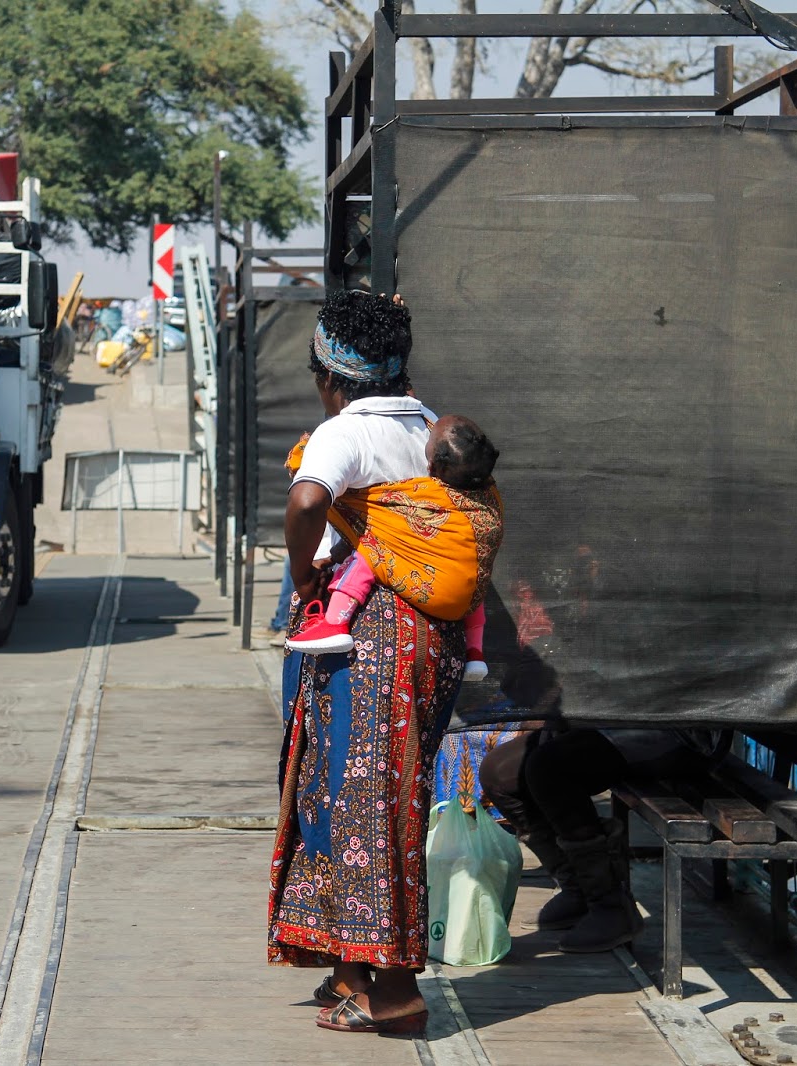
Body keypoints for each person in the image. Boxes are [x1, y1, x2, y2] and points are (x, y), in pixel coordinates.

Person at [268, 290, 493, 1036]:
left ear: (329, 377)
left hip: (370, 639)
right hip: (432, 640)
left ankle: (393, 993)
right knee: (361, 793)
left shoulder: (346, 432)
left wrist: (304, 577)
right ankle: (349, 967)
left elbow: (306, 502)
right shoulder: (432, 429)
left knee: (366, 803)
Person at [285, 414, 498, 682]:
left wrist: (304, 575)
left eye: (428, 440)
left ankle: (334, 623)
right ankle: (475, 653)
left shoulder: (419, 492)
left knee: (371, 549)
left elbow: (310, 503)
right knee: (473, 576)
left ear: (431, 467)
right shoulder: (486, 499)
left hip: (408, 612)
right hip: (460, 606)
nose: (426, 432)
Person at [477, 724, 699, 953]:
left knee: (550, 767)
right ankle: (577, 887)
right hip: (607, 723)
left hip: (678, 730)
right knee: (498, 773)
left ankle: (610, 905)